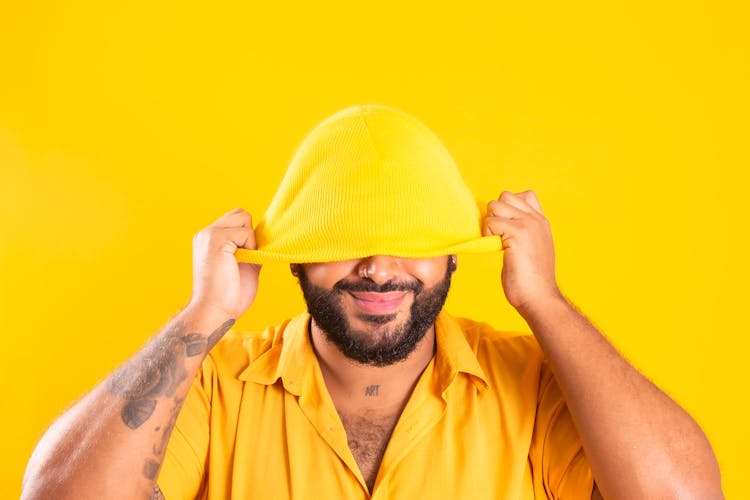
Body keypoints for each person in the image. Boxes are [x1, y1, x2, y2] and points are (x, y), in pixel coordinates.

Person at [23, 105, 723, 500]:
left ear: (454, 254)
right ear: (296, 258)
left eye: (409, 241)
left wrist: (547, 304)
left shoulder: (536, 387)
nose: (379, 267)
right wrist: (201, 316)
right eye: (345, 239)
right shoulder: (212, 384)